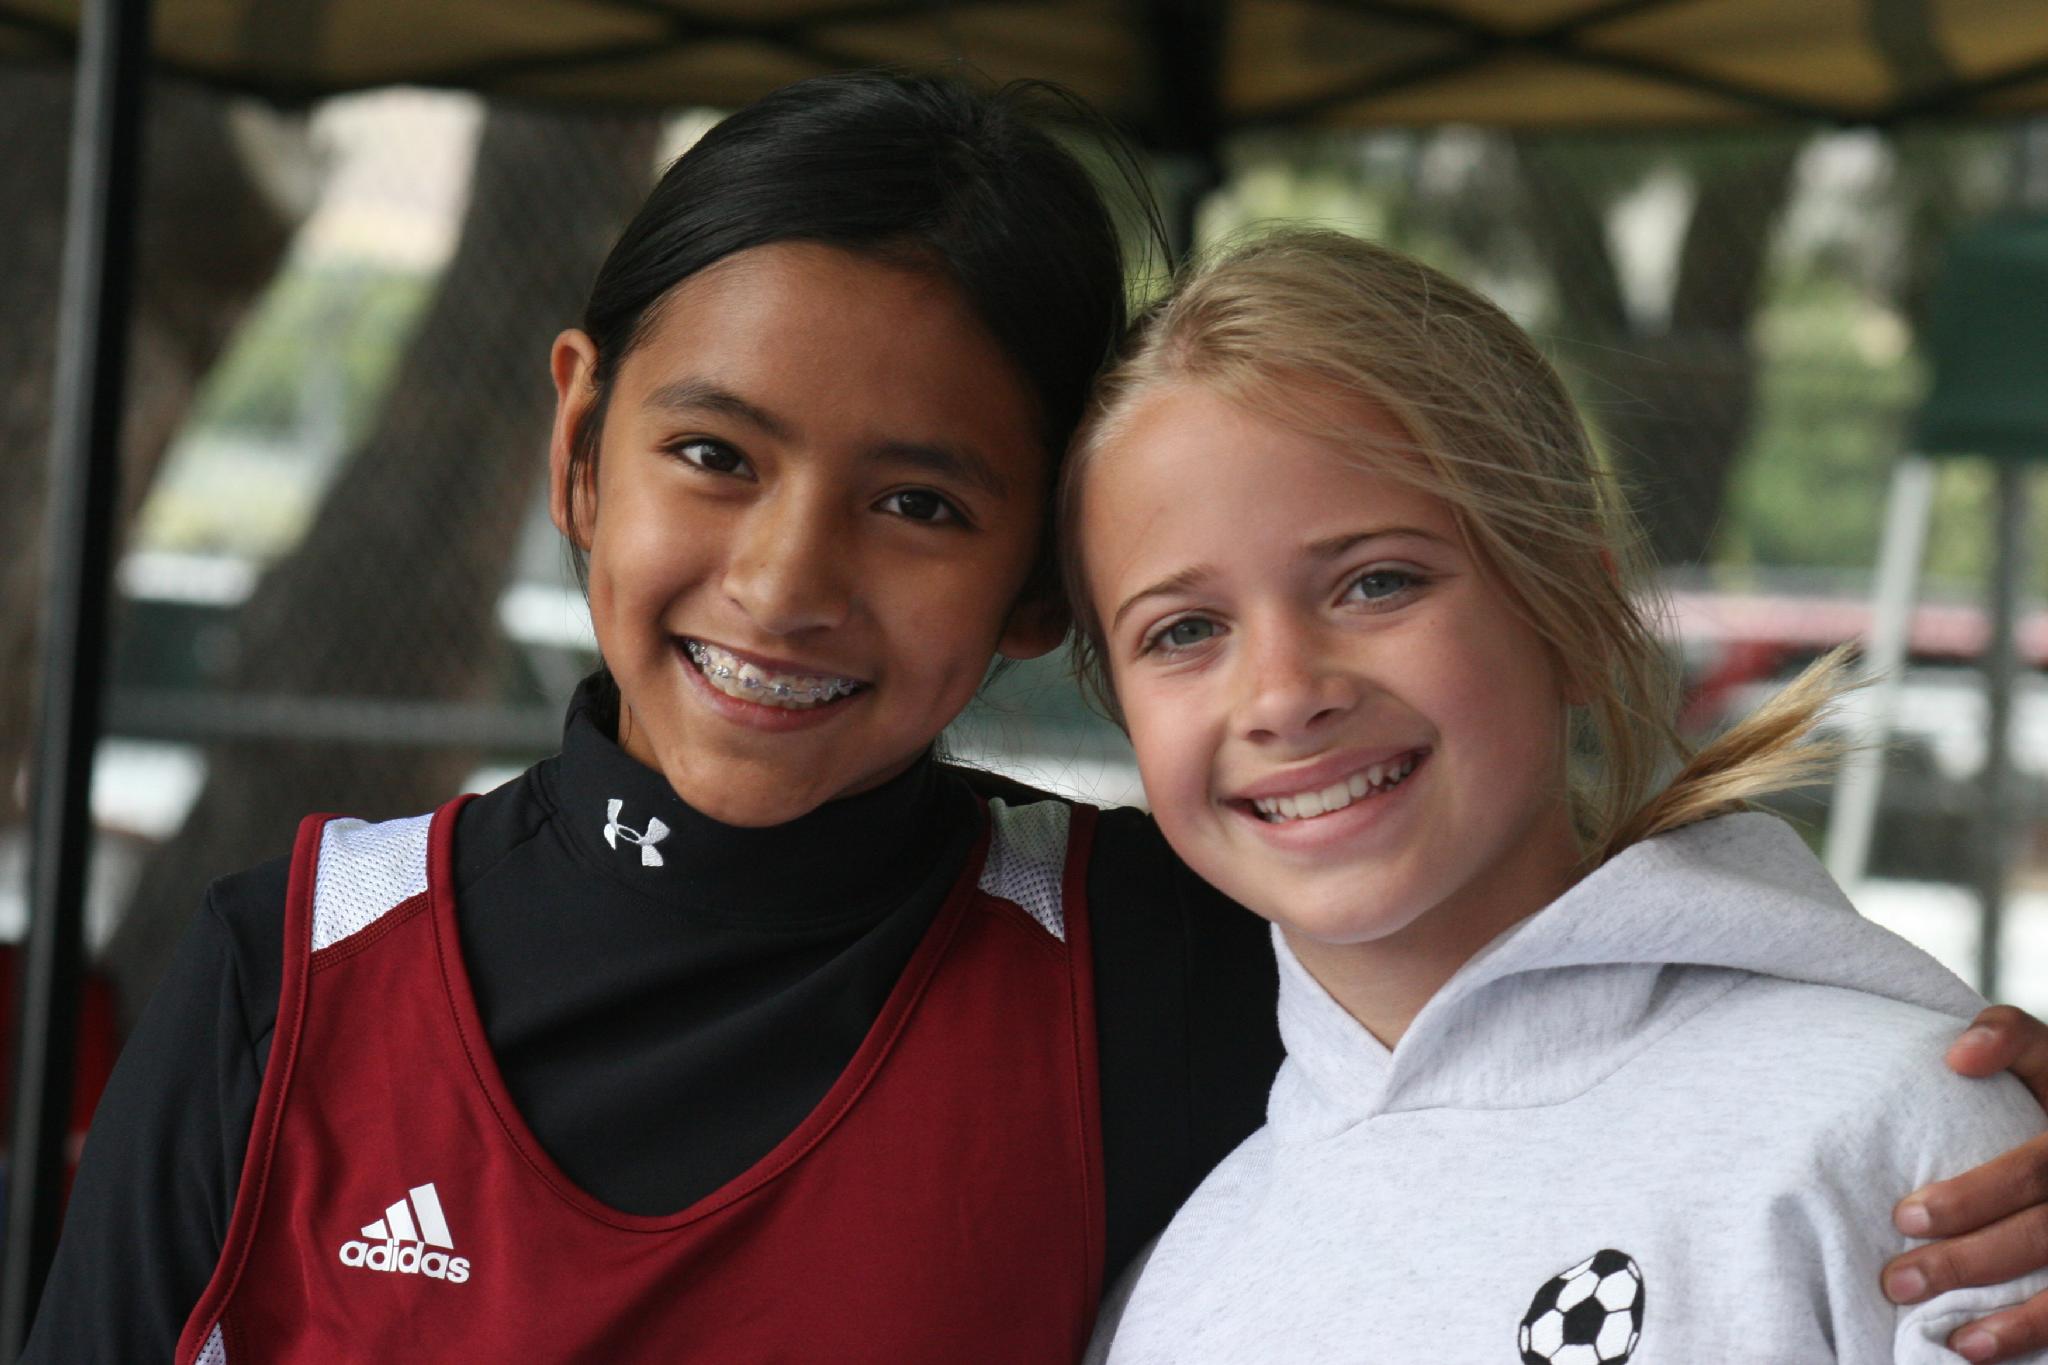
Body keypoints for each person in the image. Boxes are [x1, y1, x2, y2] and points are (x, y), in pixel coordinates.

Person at [21, 73, 2048, 1363]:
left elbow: (1569, 1014)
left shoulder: (1155, 957)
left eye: (918, 503)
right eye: (712, 453)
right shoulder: (288, 971)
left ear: (1023, 600)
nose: (785, 579)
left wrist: (1965, 1100)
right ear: (575, 442)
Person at [1065, 226, 2048, 1363]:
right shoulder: (1168, 1294)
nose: (1283, 696)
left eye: (1376, 583)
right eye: (1183, 631)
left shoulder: (1922, 1149)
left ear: (1571, 615)